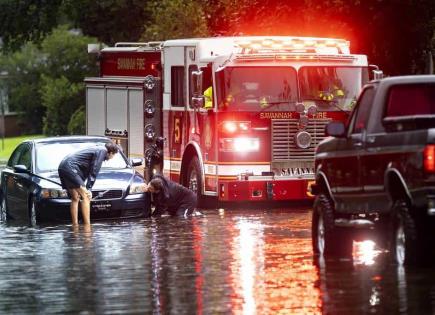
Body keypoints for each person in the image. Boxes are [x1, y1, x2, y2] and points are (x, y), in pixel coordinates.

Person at [58, 141, 119, 225]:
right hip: (70, 167)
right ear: (111, 153)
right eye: (114, 155)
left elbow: (84, 171)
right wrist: (89, 188)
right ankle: (87, 227)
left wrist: (84, 186)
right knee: (86, 196)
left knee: (75, 197)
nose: (113, 157)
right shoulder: (102, 151)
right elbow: (94, 169)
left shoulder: (97, 149)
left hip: (63, 166)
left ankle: (75, 226)